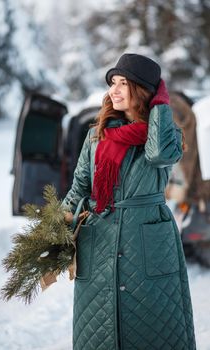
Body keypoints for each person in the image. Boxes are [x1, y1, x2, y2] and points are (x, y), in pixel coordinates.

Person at [62, 53, 196, 350]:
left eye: (125, 83)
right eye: (113, 82)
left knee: (153, 328)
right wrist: (55, 229)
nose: (114, 90)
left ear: (145, 91)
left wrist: (160, 104)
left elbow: (159, 154)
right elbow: (80, 186)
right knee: (98, 329)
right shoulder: (95, 135)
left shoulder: (165, 134)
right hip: (98, 238)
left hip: (147, 241)